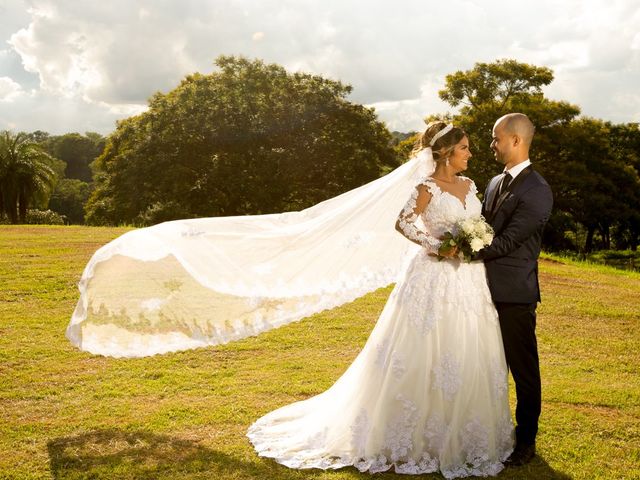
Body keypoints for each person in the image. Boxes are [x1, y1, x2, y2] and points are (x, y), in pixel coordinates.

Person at [247, 122, 514, 478]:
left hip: (468, 280)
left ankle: (465, 430)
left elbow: (475, 222)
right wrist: (437, 246)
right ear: (447, 152)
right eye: (465, 147)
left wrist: (473, 242)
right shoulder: (427, 187)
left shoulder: (469, 185)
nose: (470, 153)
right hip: (433, 276)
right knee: (423, 348)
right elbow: (404, 223)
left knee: (465, 346)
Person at [475, 113, 553, 466]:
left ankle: (525, 442)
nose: (492, 145)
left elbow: (506, 241)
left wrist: (462, 249)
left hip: (514, 295)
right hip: (478, 291)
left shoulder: (537, 190)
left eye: (496, 138)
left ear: (516, 141)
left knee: (523, 370)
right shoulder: (493, 182)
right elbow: (483, 226)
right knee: (483, 365)